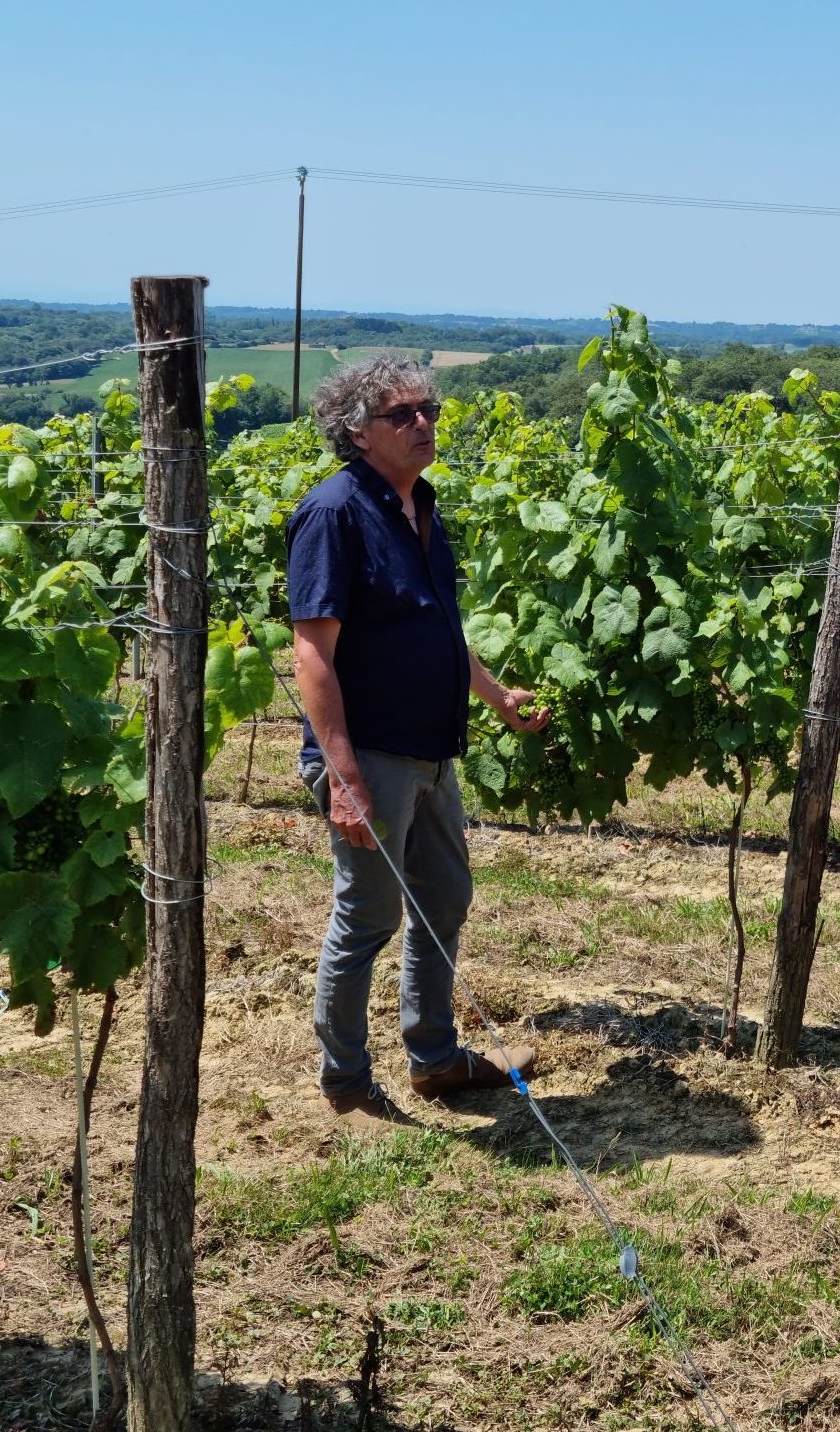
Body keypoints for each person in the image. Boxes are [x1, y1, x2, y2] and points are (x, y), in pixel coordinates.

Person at [287, 356, 551, 1121]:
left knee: (445, 898)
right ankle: (345, 1083)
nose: (423, 423)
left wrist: (495, 696)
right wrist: (341, 776)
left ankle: (434, 1058)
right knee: (368, 919)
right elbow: (313, 654)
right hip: (369, 754)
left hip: (433, 749)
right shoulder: (334, 514)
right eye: (401, 415)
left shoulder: (422, 507)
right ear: (357, 432)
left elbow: (438, 627)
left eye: (427, 408)